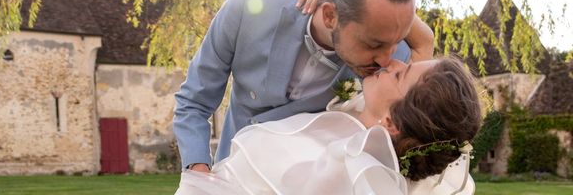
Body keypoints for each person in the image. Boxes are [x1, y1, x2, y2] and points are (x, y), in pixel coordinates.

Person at [174, 0, 435, 171]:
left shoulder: (395, 63)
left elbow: (409, 137)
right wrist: (199, 172)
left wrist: (424, 39)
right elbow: (194, 102)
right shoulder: (249, 6)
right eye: (374, 44)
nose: (386, 61)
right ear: (331, 16)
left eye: (397, 40)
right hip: (229, 175)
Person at [176, 56, 482, 194]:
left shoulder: (334, 166)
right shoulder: (397, 159)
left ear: (390, 122)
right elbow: (421, 43)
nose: (395, 62)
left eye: (401, 75)